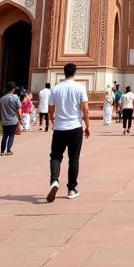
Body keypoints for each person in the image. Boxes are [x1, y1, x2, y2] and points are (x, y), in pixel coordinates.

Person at [47, 62, 90, 202]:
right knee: (74, 159)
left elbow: (51, 109)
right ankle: (71, 189)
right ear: (75, 72)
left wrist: (53, 121)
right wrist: (87, 125)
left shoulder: (56, 88)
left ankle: (54, 180)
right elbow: (85, 108)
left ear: (63, 72)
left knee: (56, 156)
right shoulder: (80, 88)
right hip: (75, 128)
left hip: (59, 128)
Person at [0, 81, 22, 155]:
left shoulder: (2, 99)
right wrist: (21, 119)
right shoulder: (15, 98)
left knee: (5, 136)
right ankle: (8, 150)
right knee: (11, 135)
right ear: (14, 89)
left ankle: (2, 151)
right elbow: (19, 109)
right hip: (12, 120)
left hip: (4, 120)